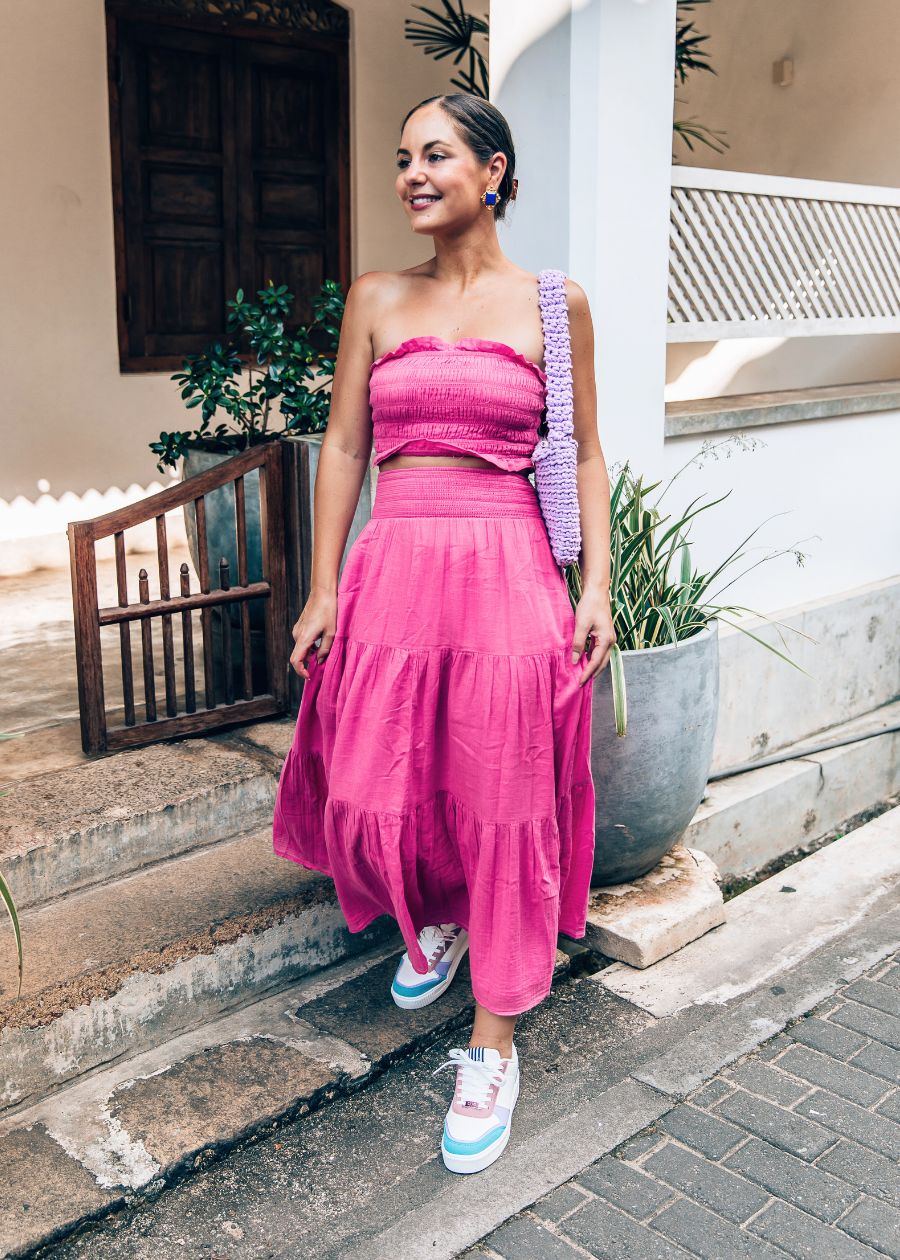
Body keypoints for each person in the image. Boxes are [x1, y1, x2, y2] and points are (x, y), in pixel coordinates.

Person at [273, 92, 615, 1175]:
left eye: (437, 154)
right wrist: (324, 585)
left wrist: (596, 585)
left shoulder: (554, 306)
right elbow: (340, 449)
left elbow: (589, 454)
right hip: (395, 562)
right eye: (402, 159)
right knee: (383, 783)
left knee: (504, 791)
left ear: (494, 170)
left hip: (508, 563)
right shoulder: (376, 297)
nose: (412, 173)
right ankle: (442, 916)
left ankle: (492, 1043)